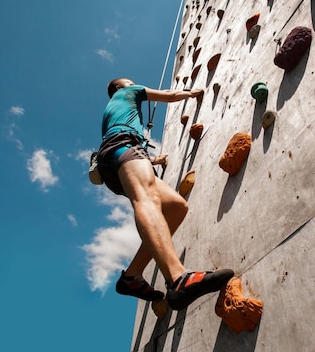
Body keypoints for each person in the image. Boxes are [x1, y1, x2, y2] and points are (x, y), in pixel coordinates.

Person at [97, 78, 234, 311]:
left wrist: (153, 160)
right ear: (121, 87)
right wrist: (191, 93)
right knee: (147, 198)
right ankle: (179, 279)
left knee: (175, 207)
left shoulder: (113, 112)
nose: (134, 83)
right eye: (129, 82)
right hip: (124, 147)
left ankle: (132, 276)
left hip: (117, 156)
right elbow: (168, 95)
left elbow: (119, 152)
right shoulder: (129, 92)